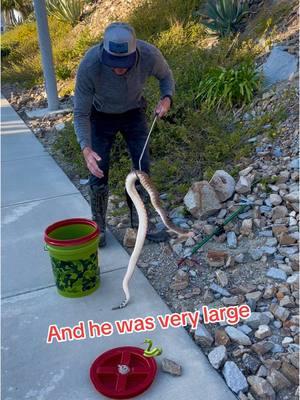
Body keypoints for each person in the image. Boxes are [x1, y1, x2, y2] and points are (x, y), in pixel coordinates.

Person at [74, 22, 175, 247]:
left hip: (133, 113)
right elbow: (80, 113)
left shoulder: (149, 55)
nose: (119, 69)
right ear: (104, 52)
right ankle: (99, 227)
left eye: (124, 64)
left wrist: (166, 98)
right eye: (114, 64)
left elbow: (166, 77)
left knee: (142, 168)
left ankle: (140, 223)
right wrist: (85, 148)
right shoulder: (90, 65)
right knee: (98, 170)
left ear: (135, 52)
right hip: (100, 116)